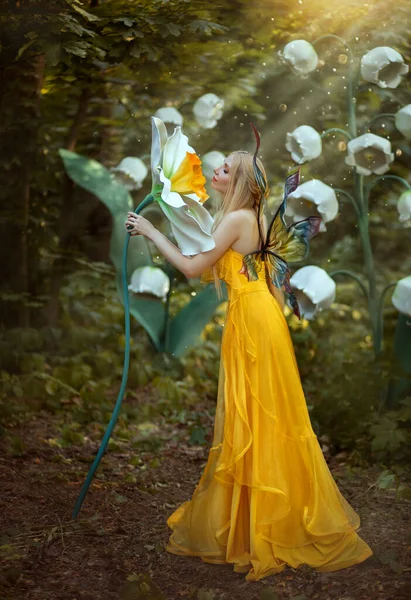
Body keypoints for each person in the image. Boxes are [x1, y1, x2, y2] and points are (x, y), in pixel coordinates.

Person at [124, 150, 373, 581]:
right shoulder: (249, 217)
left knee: (256, 416)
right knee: (262, 419)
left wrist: (149, 229)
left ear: (239, 180)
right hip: (259, 317)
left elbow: (189, 267)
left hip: (254, 322)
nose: (215, 172)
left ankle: (263, 525)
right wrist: (168, 215)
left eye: (224, 169)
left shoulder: (239, 218)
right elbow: (207, 254)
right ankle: (260, 518)